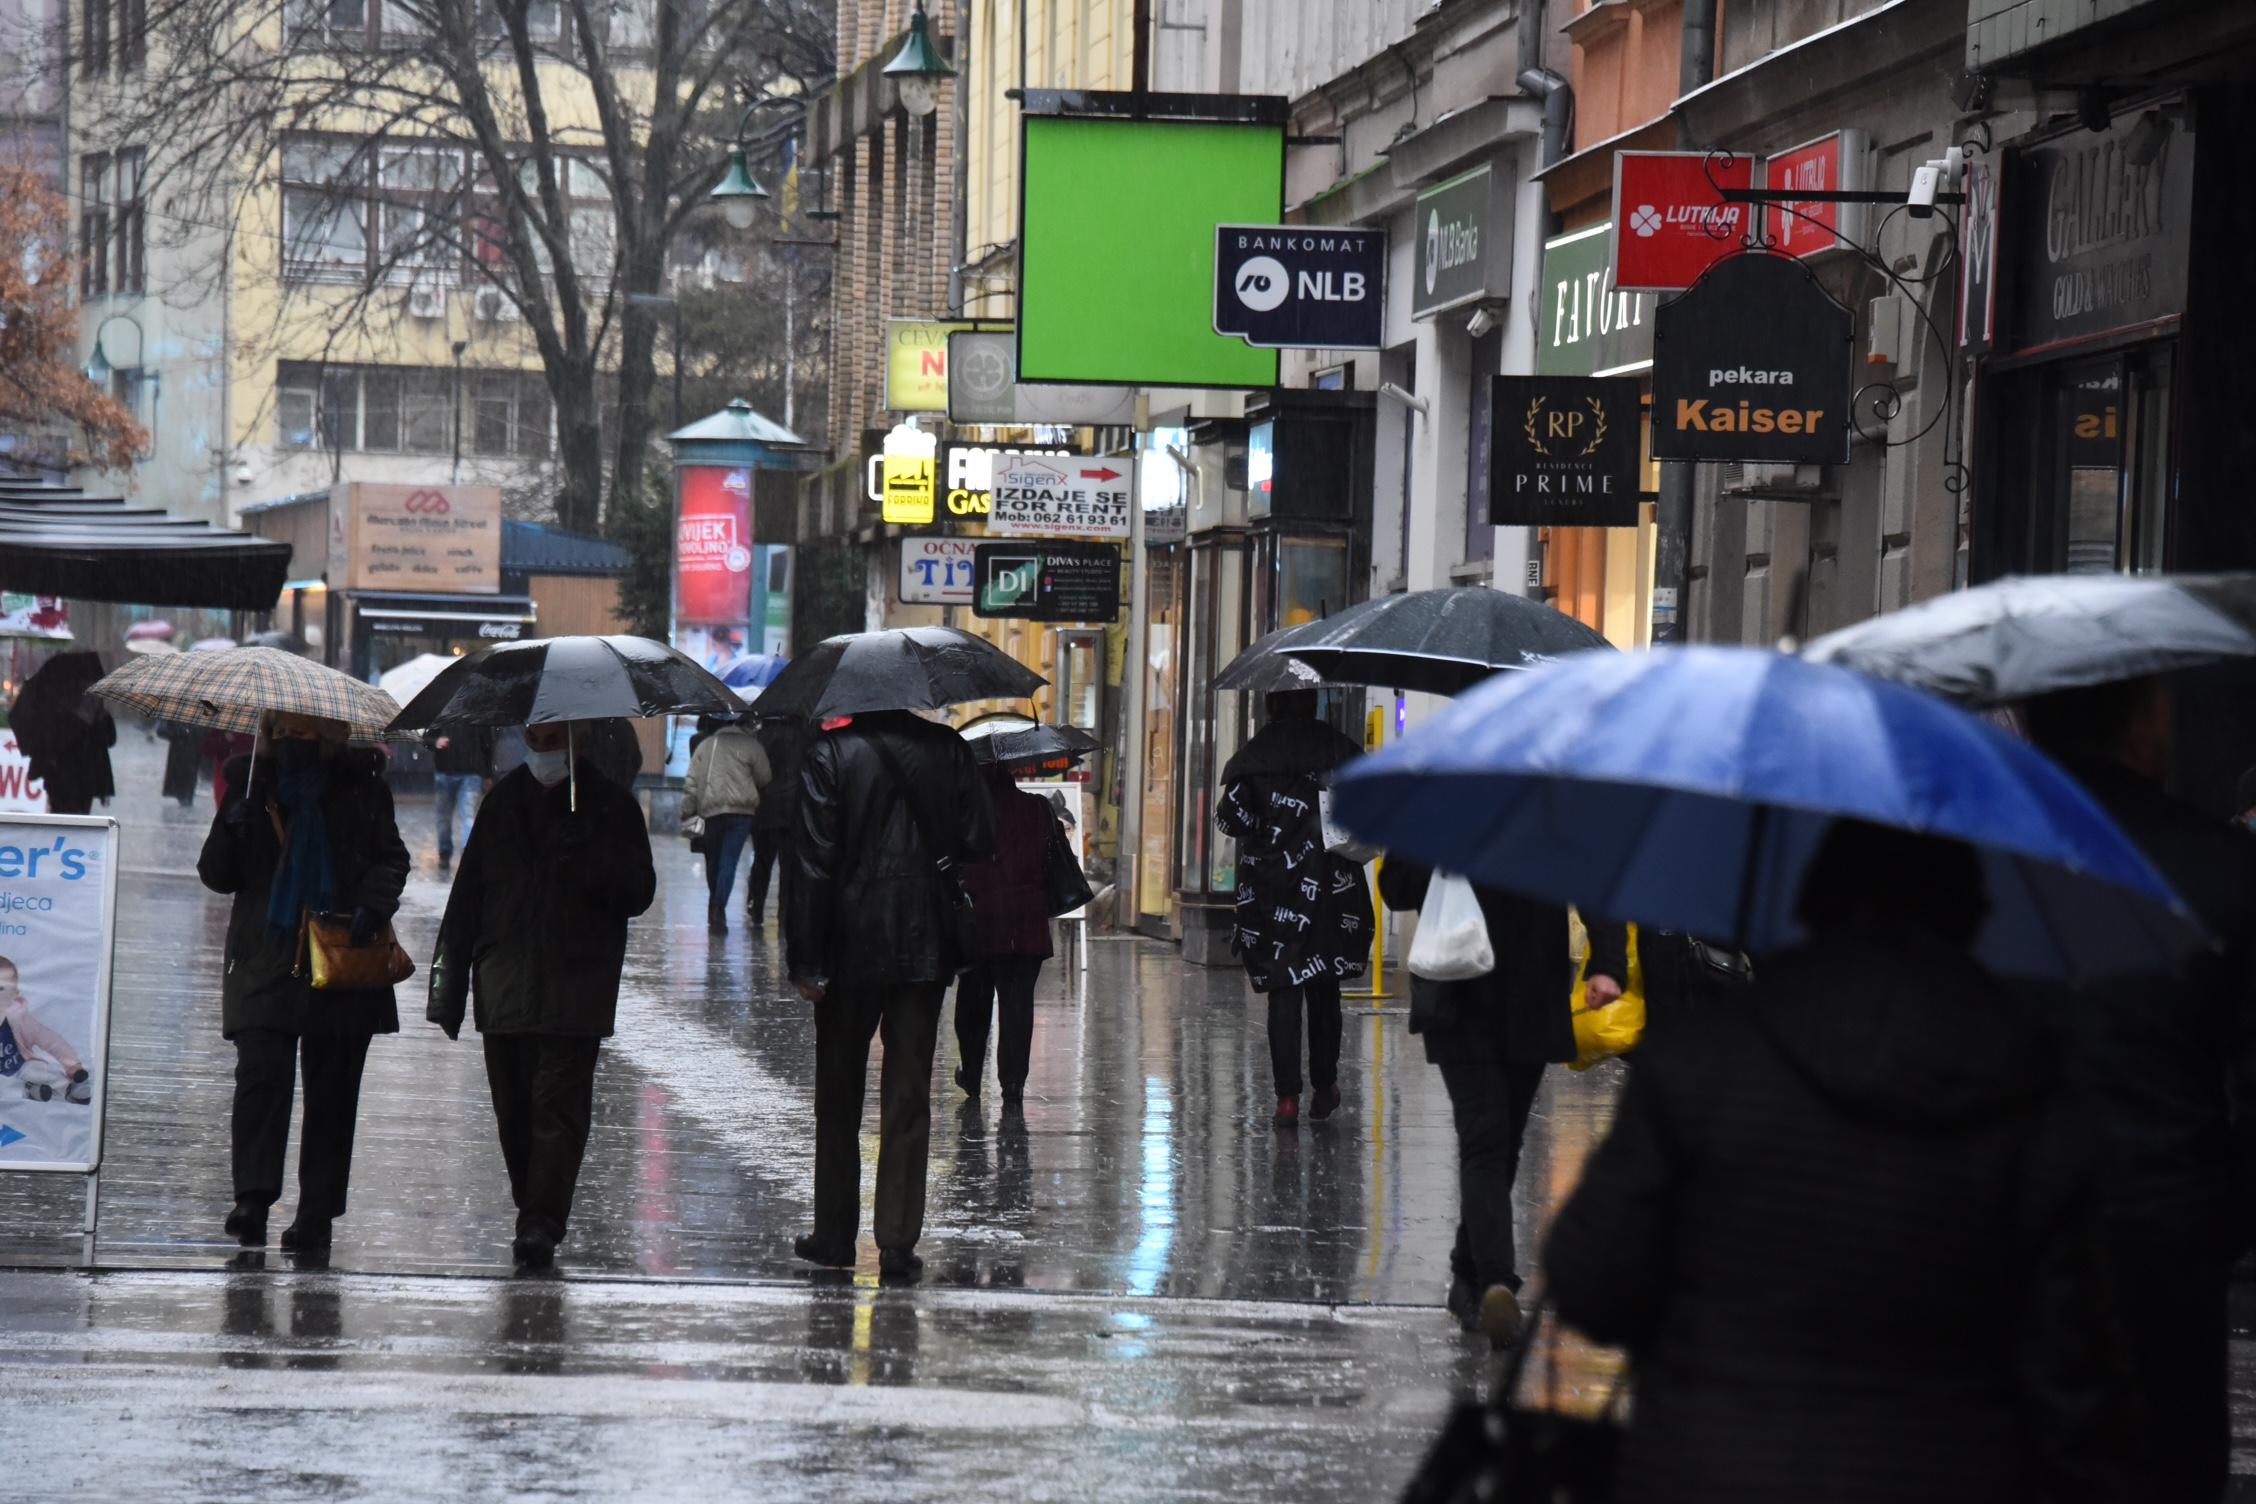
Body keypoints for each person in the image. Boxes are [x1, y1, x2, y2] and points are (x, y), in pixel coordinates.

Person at [1543, 820, 2128, 1504]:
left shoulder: (1701, 1063)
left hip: (1713, 1461)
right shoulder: (2028, 1087)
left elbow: (1592, 1280)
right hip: (1948, 1470)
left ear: (1805, 904)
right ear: (1973, 915)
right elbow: (2075, 1358)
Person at [2025, 676, 2256, 1503]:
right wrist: (2224, 1216)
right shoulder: (2220, 865)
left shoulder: (1975, 863)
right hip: (2163, 1234)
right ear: (2138, 723)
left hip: (2000, 1229)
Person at [428, 720, 656, 1270]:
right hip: (503, 985)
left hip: (576, 988)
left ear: (578, 737)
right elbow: (466, 899)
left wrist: (592, 861)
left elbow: (638, 891)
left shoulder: (610, 806)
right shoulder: (502, 803)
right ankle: (532, 1205)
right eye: (536, 737)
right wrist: (448, 986)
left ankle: (541, 1222)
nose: (543, 748)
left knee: (558, 1108)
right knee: (514, 1113)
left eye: (554, 738)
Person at [1377, 859, 1626, 1348]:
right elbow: (1394, 887)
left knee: (1504, 1140)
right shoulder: (1439, 800)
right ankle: (1495, 1279)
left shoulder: (1544, 803)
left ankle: (1466, 1276)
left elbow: (1594, 876)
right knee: (1486, 1138)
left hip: (1531, 997)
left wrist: (1607, 962)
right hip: (1459, 997)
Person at [787, 709, 994, 1281]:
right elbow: (980, 837)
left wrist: (806, 960)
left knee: (838, 1094)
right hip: (922, 943)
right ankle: (898, 1241)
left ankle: (833, 1234)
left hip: (846, 948)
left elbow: (811, 864)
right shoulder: (947, 749)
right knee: (908, 1096)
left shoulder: (829, 755)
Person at [196, 711, 409, 1254]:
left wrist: (371, 903)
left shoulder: (361, 787)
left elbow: (391, 857)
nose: (290, 745)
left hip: (337, 958)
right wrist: (231, 825)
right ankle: (252, 1198)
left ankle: (316, 1213)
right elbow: (217, 874)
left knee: (332, 1096)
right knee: (260, 1082)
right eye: (281, 735)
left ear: (330, 738)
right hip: (265, 959)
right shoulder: (251, 780)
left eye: (303, 735)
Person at [1214, 689, 1372, 1129]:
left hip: (1272, 895)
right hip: (1331, 895)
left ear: (1272, 705)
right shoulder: (1338, 749)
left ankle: (1286, 1097)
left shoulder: (1256, 757)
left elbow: (1231, 820)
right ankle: (1325, 1084)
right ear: (1313, 704)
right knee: (1325, 991)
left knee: (1284, 994)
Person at [952, 761, 1057, 1111]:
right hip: (1027, 922)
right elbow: (1050, 858)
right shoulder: (1037, 808)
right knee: (1018, 1005)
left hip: (981, 922)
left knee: (973, 1003)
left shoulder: (967, 811)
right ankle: (1013, 1081)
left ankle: (970, 1072)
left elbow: (955, 864)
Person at [679, 713, 771, 934]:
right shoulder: (752, 745)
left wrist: (687, 810)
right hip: (742, 812)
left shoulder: (706, 745)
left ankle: (715, 904)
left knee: (713, 860)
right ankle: (719, 908)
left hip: (711, 811)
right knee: (729, 860)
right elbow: (765, 777)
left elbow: (692, 781)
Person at [0, 956, 91, 1104]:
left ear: (14, 995)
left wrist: (72, 1065)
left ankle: (70, 1091)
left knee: (42, 1072)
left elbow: (49, 1040)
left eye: (1, 988)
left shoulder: (18, 1019)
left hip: (19, 1067)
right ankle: (28, 1091)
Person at [747, 717, 807, 928]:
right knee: (788, 866)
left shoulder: (761, 737)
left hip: (764, 808)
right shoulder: (803, 735)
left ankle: (756, 908)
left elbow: (754, 773)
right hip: (793, 810)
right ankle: (784, 912)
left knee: (762, 862)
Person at [428, 725, 492, 874]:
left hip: (468, 773)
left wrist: (487, 774)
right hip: (447, 773)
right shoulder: (443, 715)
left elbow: (487, 746)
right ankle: (447, 853)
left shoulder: (477, 717)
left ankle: (464, 855)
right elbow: (426, 739)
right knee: (447, 817)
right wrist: (435, 742)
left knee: (464, 815)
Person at [159, 720, 200, 808]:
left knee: (188, 783)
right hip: (179, 753)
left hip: (192, 752)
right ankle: (184, 800)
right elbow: (162, 731)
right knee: (183, 784)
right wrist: (181, 731)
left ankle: (186, 800)